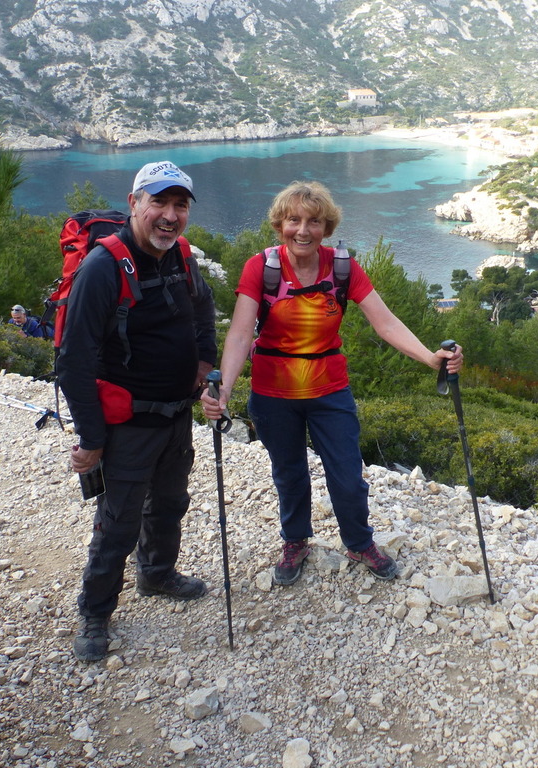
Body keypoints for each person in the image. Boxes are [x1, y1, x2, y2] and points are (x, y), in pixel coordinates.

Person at [201, 180, 462, 587]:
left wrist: (431, 358)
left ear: (327, 226)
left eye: (314, 222)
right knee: (289, 473)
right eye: (294, 220)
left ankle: (358, 542)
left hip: (329, 391)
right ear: (279, 224)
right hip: (273, 394)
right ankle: (296, 540)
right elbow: (239, 332)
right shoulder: (261, 267)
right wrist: (227, 388)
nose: (303, 230)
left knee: (347, 475)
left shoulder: (343, 268)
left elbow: (385, 321)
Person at [58, 161, 217, 663]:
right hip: (127, 424)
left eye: (180, 206)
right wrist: (91, 438)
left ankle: (156, 573)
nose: (170, 216)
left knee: (170, 503)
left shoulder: (182, 258)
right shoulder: (103, 268)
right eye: (159, 203)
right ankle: (95, 611)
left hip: (175, 415)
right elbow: (73, 362)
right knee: (118, 522)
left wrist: (206, 368)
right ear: (134, 204)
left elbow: (203, 314)